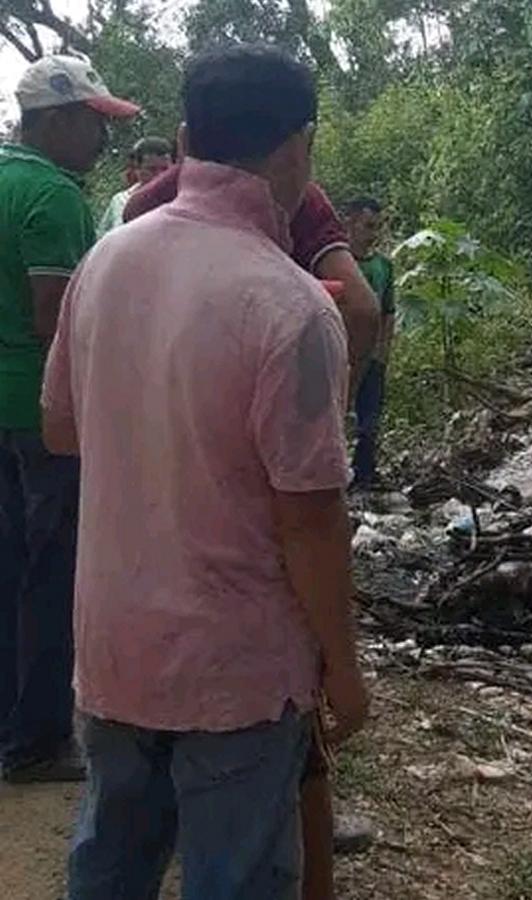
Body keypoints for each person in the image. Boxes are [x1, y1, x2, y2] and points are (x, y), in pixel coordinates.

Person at [43, 44, 369, 899]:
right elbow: (310, 520)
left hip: (114, 646)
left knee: (110, 863)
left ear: (185, 137)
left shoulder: (106, 263)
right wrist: (343, 666)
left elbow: (62, 431)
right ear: (297, 148)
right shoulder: (293, 306)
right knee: (236, 877)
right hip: (236, 670)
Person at [0, 55, 139, 784]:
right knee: (51, 574)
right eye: (94, 123)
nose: (101, 143)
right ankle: (38, 740)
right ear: (54, 120)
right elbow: (58, 321)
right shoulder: (53, 196)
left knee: (7, 564)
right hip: (39, 413)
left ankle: (9, 722)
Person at [125, 152, 381, 393]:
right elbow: (362, 309)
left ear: (186, 138)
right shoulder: (298, 198)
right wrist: (336, 402)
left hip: (161, 391)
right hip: (267, 390)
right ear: (300, 144)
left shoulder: (152, 200)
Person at [344, 198, 395, 489]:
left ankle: (364, 474)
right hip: (342, 354)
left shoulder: (384, 267)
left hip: (372, 355)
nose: (372, 233)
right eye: (367, 226)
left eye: (377, 227)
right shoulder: (336, 263)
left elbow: (389, 311)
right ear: (349, 222)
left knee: (369, 420)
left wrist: (383, 352)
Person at [95, 135, 173, 236]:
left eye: (164, 169)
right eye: (152, 169)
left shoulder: (179, 202)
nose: (159, 175)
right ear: (138, 169)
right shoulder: (120, 202)